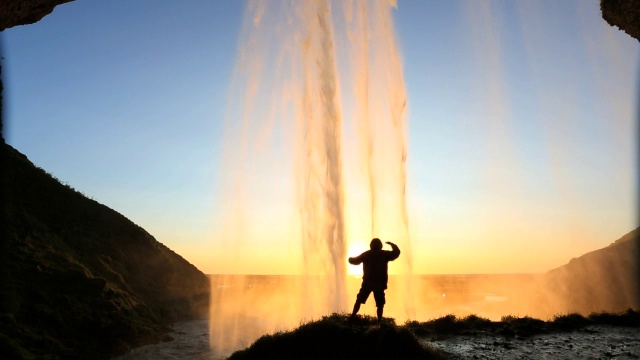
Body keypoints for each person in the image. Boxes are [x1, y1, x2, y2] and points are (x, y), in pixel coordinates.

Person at [348, 238, 400, 323]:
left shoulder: (366, 254)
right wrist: (392, 245)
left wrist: (350, 259)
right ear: (380, 246)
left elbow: (355, 261)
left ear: (371, 246)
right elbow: (396, 253)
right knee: (380, 304)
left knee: (359, 300)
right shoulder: (384, 254)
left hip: (367, 283)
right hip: (379, 283)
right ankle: (379, 321)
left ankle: (352, 317)